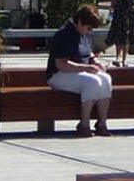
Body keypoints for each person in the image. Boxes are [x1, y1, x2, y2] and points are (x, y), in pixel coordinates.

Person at [47, 7, 115, 137]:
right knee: (92, 82)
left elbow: (88, 54)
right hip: (58, 75)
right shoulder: (64, 35)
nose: (89, 31)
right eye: (88, 28)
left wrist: (95, 62)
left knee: (106, 79)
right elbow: (61, 64)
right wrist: (87, 68)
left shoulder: (84, 34)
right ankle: (84, 124)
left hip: (79, 72)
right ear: (79, 22)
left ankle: (102, 123)